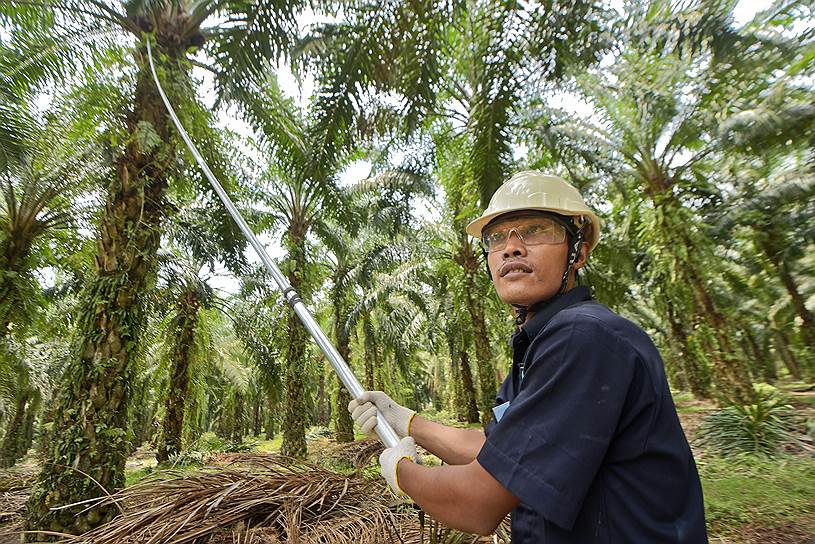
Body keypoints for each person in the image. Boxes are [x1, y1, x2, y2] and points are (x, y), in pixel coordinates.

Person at [348, 171, 708, 543]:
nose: (512, 247)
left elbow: (478, 503)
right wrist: (407, 422)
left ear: (578, 252)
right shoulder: (540, 345)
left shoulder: (585, 338)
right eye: (497, 237)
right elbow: (498, 449)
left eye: (536, 230)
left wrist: (402, 472)